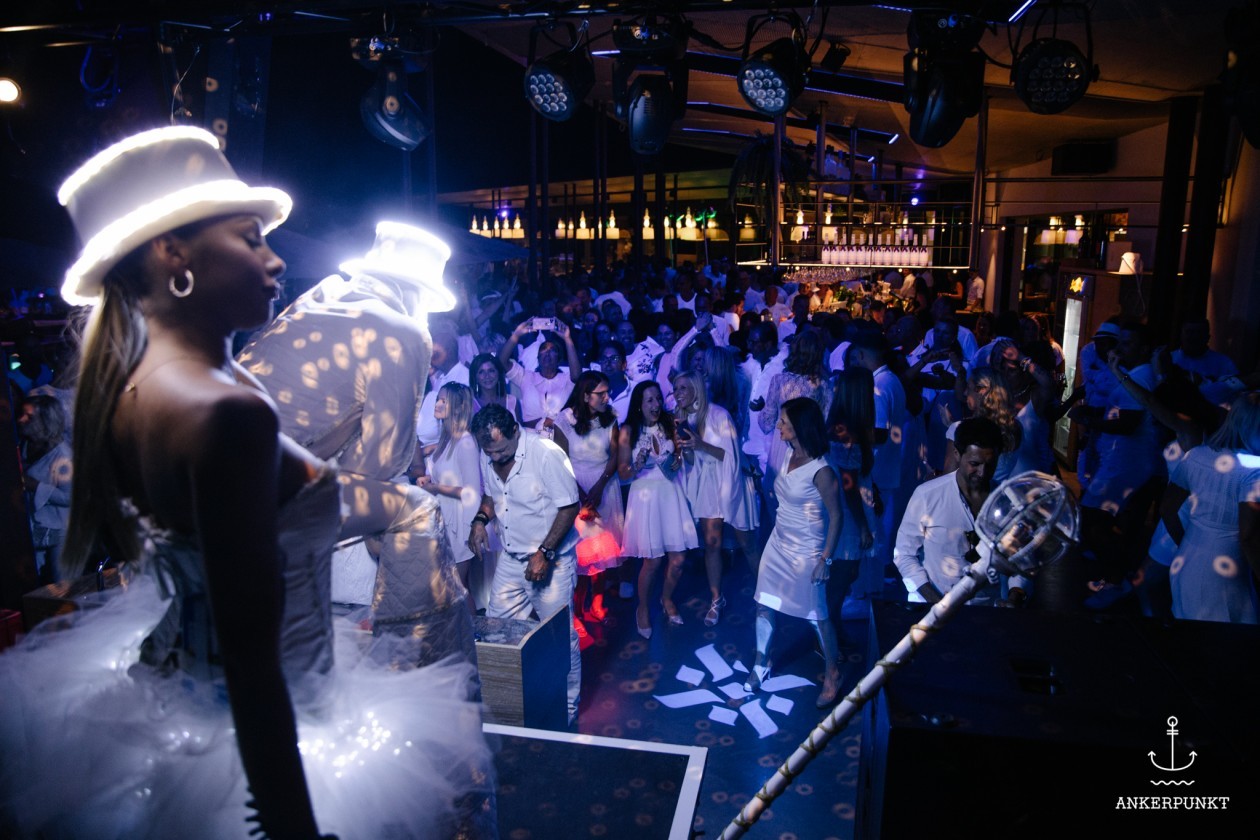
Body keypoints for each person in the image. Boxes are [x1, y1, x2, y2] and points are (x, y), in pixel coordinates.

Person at [0, 127, 490, 839]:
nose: (277, 259)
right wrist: (292, 824)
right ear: (174, 255)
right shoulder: (228, 414)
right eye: (250, 238)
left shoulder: (139, 387)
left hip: (173, 681)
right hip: (265, 721)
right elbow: (253, 662)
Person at [238, 221, 475, 668]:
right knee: (417, 509)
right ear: (418, 292)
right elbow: (381, 461)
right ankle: (413, 659)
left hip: (211, 465)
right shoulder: (404, 331)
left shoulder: (319, 297)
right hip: (266, 489)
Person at [468, 402, 583, 724]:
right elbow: (493, 496)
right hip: (511, 558)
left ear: (515, 431)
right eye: (489, 453)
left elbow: (570, 506)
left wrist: (544, 552)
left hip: (552, 561)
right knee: (497, 632)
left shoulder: (545, 452)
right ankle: (507, 706)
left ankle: (568, 710)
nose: (495, 458)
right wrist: (480, 520)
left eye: (501, 451)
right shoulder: (490, 452)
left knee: (560, 638)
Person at [746, 398, 844, 707]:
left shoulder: (822, 470)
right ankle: (761, 662)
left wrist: (825, 559)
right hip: (778, 545)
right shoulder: (789, 453)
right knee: (764, 604)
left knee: (817, 617)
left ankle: (833, 673)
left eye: (784, 421)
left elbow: (837, 517)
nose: (778, 426)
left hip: (807, 553)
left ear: (800, 426)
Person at [894, 417, 1030, 607]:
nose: (982, 472)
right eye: (975, 464)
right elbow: (904, 554)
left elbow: (1021, 558)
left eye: (990, 464)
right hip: (930, 607)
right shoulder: (927, 495)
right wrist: (937, 603)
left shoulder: (1008, 501)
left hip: (984, 609)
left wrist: (1015, 594)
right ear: (957, 454)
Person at [1160, 391, 1260, 624]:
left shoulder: (1196, 455)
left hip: (1186, 560)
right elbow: (1248, 537)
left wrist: (1189, 542)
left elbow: (1166, 509)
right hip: (1226, 573)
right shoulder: (1254, 470)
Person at [618, 380, 699, 638]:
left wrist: (680, 455)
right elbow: (622, 473)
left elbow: (683, 457)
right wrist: (636, 465)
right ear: (639, 405)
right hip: (645, 498)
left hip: (670, 493)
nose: (656, 404)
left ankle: (666, 598)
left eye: (658, 399)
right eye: (649, 400)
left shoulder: (670, 423)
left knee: (678, 559)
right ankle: (642, 608)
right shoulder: (628, 431)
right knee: (652, 562)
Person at [553, 371, 625, 632]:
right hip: (574, 488)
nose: (607, 397)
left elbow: (615, 455)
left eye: (607, 392)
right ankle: (575, 610)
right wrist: (582, 497)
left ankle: (597, 605)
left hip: (604, 488)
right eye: (600, 393)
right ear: (585, 396)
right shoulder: (565, 420)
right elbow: (560, 461)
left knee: (601, 553)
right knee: (580, 556)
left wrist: (600, 486)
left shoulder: (610, 417)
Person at [673, 370, 744, 626]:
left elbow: (731, 456)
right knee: (711, 542)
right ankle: (716, 598)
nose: (677, 394)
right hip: (702, 484)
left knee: (743, 542)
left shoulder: (719, 414)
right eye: (675, 389)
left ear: (696, 388)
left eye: (682, 388)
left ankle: (764, 595)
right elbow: (691, 463)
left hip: (726, 480)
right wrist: (685, 449)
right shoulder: (682, 419)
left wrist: (700, 444)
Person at [418, 382, 484, 612]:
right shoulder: (446, 439)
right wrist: (428, 480)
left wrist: (436, 488)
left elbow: (471, 491)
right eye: (438, 399)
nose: (437, 404)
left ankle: (473, 633)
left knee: (457, 587)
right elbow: (446, 475)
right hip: (442, 519)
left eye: (444, 401)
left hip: (459, 524)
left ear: (458, 407)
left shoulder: (465, 441)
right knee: (446, 589)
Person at [825, 368, 881, 619]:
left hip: (849, 505)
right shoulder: (846, 431)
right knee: (844, 573)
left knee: (846, 572)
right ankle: (829, 630)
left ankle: (831, 627)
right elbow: (849, 487)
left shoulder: (843, 424)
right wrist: (862, 527)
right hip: (847, 512)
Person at [17, 394, 72, 583]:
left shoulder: (63, 457)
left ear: (46, 421)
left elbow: (69, 497)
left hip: (59, 531)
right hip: (35, 528)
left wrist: (36, 486)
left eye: (29, 417)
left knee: (60, 584)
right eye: (22, 414)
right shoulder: (24, 446)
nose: (21, 419)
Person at [469, 350, 522, 422]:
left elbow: (520, 429)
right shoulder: (470, 405)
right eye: (481, 372)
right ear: (475, 377)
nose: (487, 376)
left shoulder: (513, 401)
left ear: (498, 374)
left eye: (491, 371)